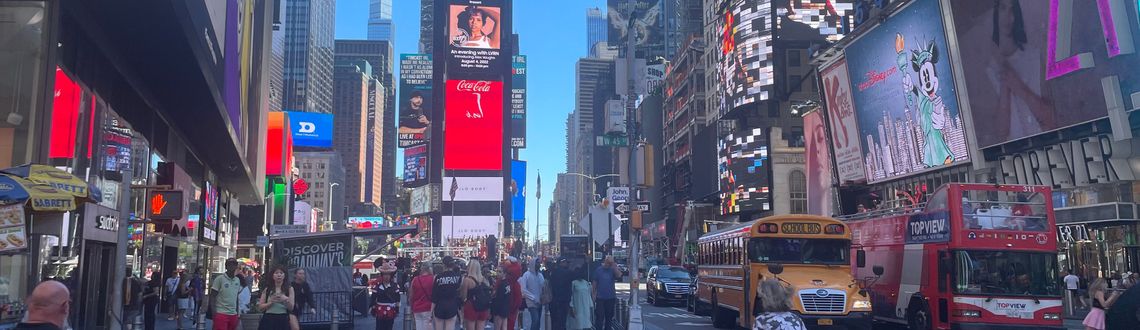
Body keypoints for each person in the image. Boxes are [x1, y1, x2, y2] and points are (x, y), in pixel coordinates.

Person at [210, 258, 245, 330]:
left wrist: (237, 312)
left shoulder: (237, 280)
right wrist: (214, 312)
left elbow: (236, 297)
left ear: (236, 267)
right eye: (229, 265)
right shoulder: (220, 279)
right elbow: (212, 296)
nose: (231, 266)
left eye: (233, 265)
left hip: (233, 314)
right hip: (221, 313)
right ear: (226, 267)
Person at [431, 256, 464, 330]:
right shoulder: (458, 277)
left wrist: (431, 311)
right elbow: (459, 291)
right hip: (452, 305)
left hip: (439, 305)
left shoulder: (438, 277)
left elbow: (434, 295)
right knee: (450, 326)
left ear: (443, 265)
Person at [592, 256, 621, 330]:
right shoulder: (598, 270)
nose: (608, 264)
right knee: (599, 317)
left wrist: (614, 265)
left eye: (610, 263)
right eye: (608, 262)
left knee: (609, 317)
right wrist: (593, 296)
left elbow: (619, 275)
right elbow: (594, 284)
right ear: (605, 261)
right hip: (600, 298)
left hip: (610, 297)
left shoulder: (612, 270)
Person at [461, 260, 491, 330]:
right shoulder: (483, 279)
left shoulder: (467, 280)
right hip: (483, 307)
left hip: (471, 306)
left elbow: (464, 297)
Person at [372, 261, 401, 330]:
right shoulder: (377, 286)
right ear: (382, 275)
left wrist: (397, 309)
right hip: (380, 310)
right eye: (385, 274)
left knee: (389, 327)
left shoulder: (395, 286)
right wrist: (373, 308)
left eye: (388, 274)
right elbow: (373, 298)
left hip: (390, 310)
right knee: (379, 327)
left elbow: (397, 298)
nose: (386, 276)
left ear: (391, 275)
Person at [519, 260, 545, 330]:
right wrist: (533, 298)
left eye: (539, 263)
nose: (539, 264)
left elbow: (543, 287)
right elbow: (523, 289)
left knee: (538, 321)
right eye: (537, 263)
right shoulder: (526, 275)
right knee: (535, 319)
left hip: (540, 301)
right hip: (531, 302)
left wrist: (543, 296)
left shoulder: (540, 275)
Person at [408, 262, 435, 330]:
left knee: (418, 327)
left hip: (417, 307)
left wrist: (411, 307)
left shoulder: (415, 279)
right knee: (427, 326)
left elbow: (411, 295)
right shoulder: (433, 279)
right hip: (428, 307)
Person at [548, 260, 573, 330]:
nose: (568, 264)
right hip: (563, 301)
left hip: (554, 300)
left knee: (555, 321)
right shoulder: (567, 273)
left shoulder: (553, 272)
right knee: (562, 321)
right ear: (561, 263)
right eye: (566, 262)